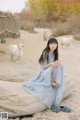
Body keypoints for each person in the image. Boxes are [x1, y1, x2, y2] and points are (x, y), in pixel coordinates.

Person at [22, 38, 71, 113]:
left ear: (57, 45)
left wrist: (57, 61)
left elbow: (55, 64)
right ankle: (51, 82)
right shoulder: (46, 53)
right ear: (48, 45)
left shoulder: (55, 53)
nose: (53, 45)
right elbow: (44, 67)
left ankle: (55, 81)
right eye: (51, 44)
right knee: (52, 67)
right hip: (43, 73)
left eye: (54, 44)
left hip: (50, 72)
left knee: (60, 65)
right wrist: (51, 64)